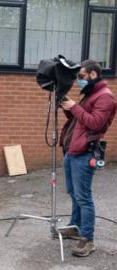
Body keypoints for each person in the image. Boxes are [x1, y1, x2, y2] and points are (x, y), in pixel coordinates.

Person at [59, 60, 116, 257]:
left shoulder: (105, 97)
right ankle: (75, 227)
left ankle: (88, 239)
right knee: (74, 193)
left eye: (81, 77)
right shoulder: (90, 94)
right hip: (72, 151)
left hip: (85, 154)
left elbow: (95, 124)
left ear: (93, 74)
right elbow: (78, 121)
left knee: (84, 197)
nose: (78, 81)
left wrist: (74, 107)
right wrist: (67, 106)